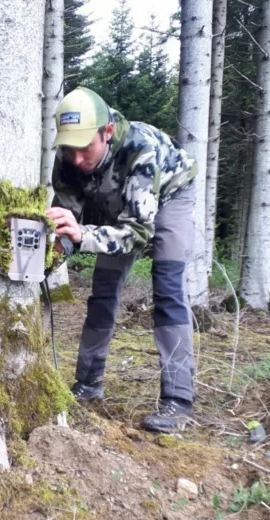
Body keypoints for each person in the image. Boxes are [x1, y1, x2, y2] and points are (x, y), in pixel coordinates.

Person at [45, 87, 197, 433]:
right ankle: (87, 383)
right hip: (114, 206)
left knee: (169, 289)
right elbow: (66, 225)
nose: (78, 159)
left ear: (107, 132)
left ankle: (179, 402)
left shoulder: (140, 150)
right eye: (70, 150)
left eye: (85, 148)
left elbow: (138, 234)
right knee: (103, 292)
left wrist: (84, 235)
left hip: (169, 195)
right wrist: (47, 256)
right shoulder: (69, 160)